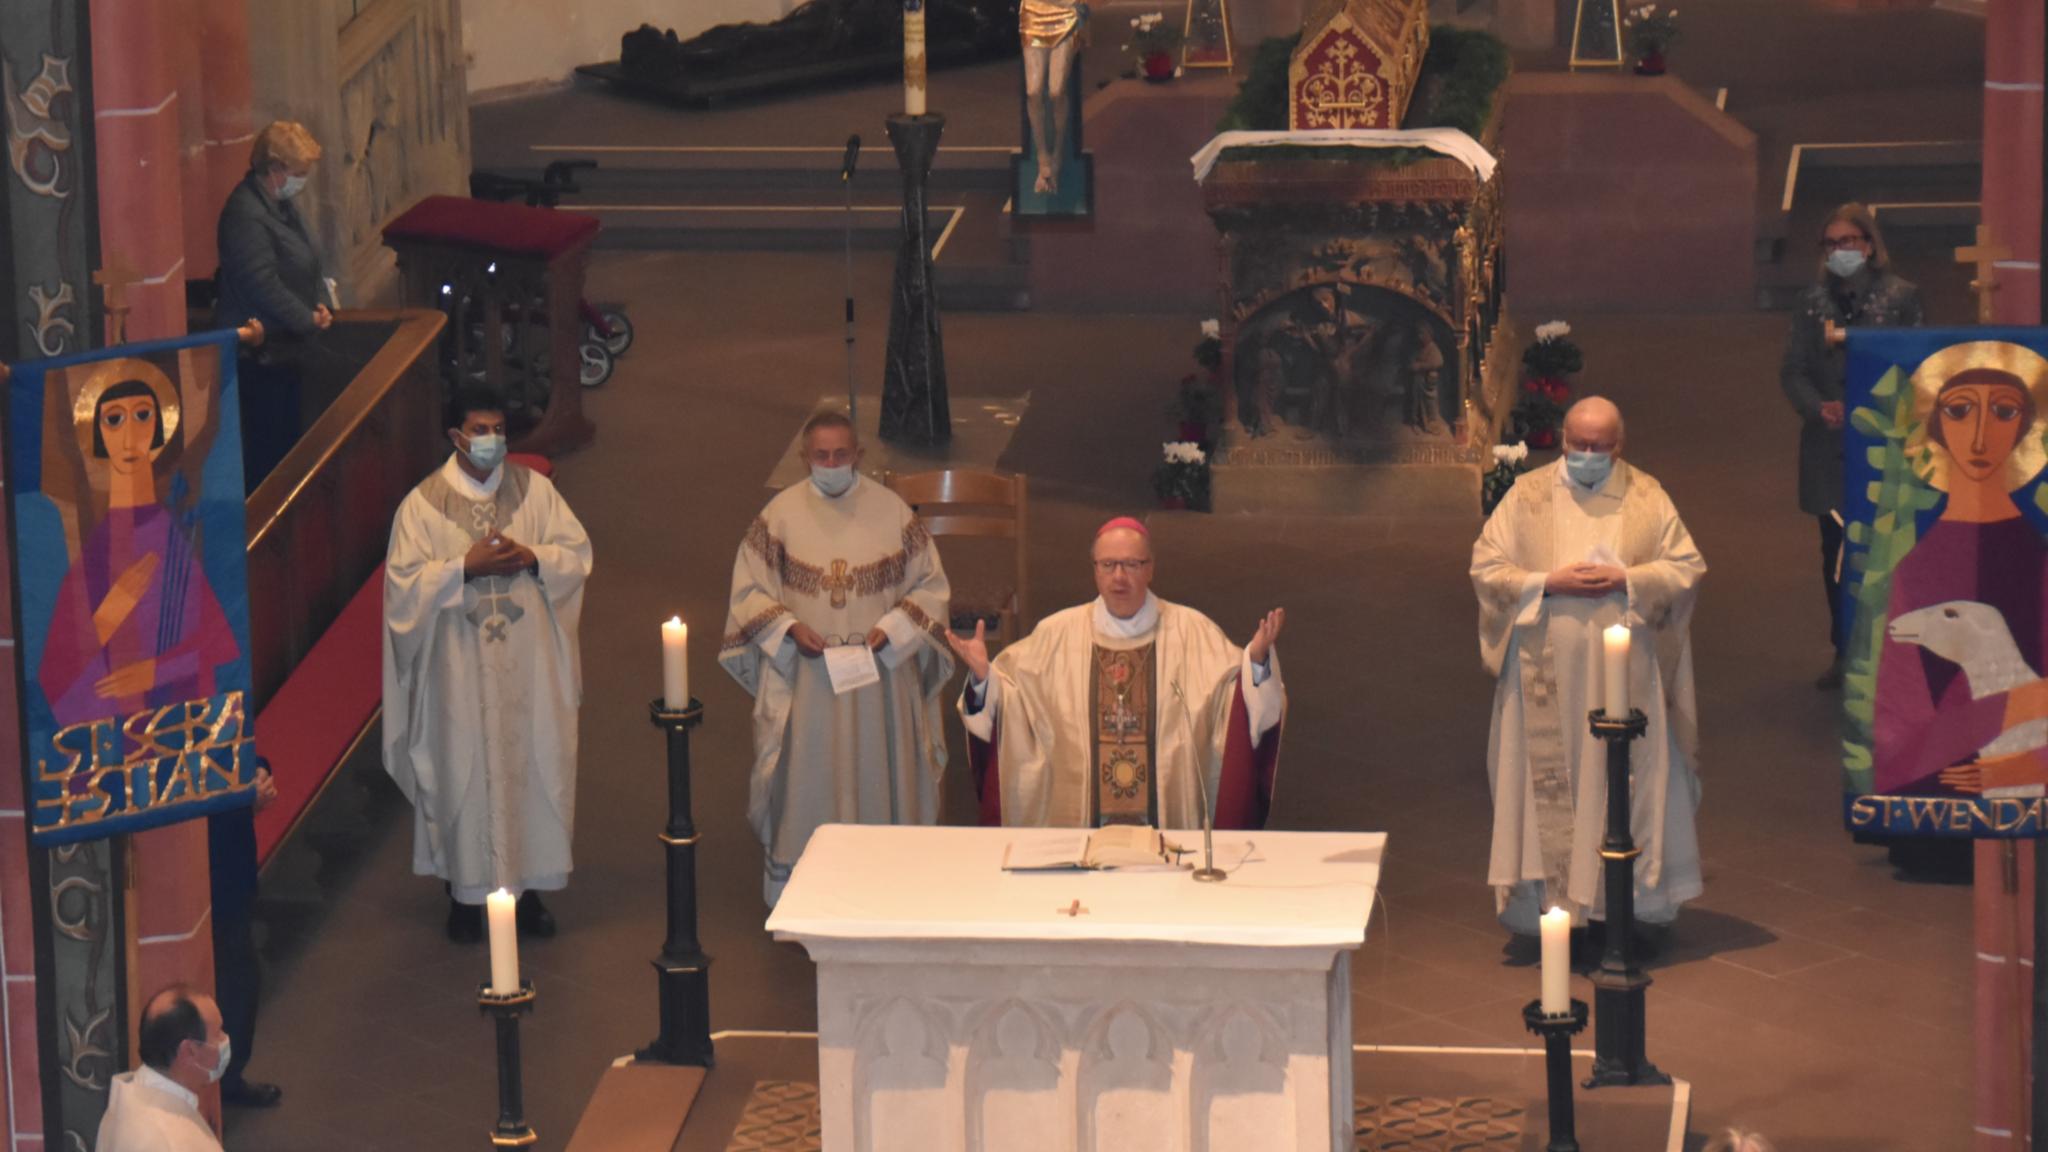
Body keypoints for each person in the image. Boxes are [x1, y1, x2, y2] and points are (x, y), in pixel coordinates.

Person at [1470, 397, 1706, 946]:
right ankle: (1547, 910)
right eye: (1579, 445)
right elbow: (1486, 565)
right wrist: (1547, 583)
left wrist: (1630, 581)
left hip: (1625, 684)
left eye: (1600, 447)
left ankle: (1632, 904)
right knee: (1545, 788)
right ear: (1562, 439)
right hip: (1543, 682)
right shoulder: (1526, 496)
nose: (1588, 456)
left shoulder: (1647, 496)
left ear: (1619, 445)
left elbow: (1685, 566)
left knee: (1626, 781)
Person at [719, 409, 954, 905]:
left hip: (880, 686)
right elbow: (748, 592)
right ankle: (809, 890)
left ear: (858, 457)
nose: (831, 463)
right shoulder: (777, 518)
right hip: (809, 682)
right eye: (821, 455)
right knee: (809, 782)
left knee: (880, 776)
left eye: (841, 454)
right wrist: (788, 627)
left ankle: (887, 887)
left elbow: (932, 586)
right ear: (805, 457)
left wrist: (892, 629)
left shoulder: (894, 514)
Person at [383, 389, 593, 942]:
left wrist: (534, 557)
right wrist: (461, 569)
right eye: (478, 429)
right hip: (458, 672)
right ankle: (462, 894)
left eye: (498, 428)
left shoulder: (537, 493)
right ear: (455, 436)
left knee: (535, 766)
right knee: (462, 775)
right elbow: (401, 592)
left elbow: (576, 556)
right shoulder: (422, 506)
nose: (491, 440)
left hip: (530, 667)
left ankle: (532, 894)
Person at [951, 517, 1285, 828]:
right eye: (1108, 565)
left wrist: (1255, 662)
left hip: (1169, 834)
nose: (1119, 577)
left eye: (1132, 564)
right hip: (1078, 835)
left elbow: (1237, 705)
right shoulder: (1055, 635)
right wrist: (984, 680)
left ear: (1150, 569)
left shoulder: (1194, 632)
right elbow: (1010, 703)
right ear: (1095, 570)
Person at [1869, 343, 2048, 797]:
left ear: (2028, 427)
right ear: (1935, 426)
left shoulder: (2039, 558)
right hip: (1941, 794)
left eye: (2004, 413)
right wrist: (2022, 702)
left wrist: (2019, 769)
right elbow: (1899, 733)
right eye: (1960, 411)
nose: (1980, 437)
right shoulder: (1914, 566)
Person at [36, 360, 240, 725]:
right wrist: (110, 613)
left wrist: (154, 672)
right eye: (114, 420)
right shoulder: (97, 547)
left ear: (160, 428)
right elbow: (56, 670)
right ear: (96, 434)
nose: (129, 436)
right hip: (115, 733)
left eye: (143, 415)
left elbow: (217, 645)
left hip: (171, 725)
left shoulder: (169, 535)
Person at [1780, 202, 1923, 689]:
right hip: (1828, 447)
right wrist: (1818, 407)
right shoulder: (1811, 302)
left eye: (1849, 241)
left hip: (1883, 443)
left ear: (1869, 244)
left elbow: (1916, 367)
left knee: (1888, 549)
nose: (1841, 250)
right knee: (1835, 551)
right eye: (1831, 243)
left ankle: (1891, 651)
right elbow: (1793, 369)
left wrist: (1875, 409)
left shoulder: (1901, 298)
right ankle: (1845, 650)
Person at [214, 120, 332, 494]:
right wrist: (307, 319)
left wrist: (321, 302)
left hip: (288, 348)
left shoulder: (281, 204)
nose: (303, 180)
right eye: (299, 173)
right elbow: (262, 283)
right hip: (260, 359)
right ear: (276, 170)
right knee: (269, 462)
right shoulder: (244, 214)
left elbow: (308, 258)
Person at [207, 757, 281, 1108]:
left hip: (229, 866)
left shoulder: (217, 702)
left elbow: (237, 744)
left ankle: (228, 1078)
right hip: (189, 860)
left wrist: (259, 772)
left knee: (238, 979)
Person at [95, 985, 232, 1151]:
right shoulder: (171, 1142)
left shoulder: (130, 1097)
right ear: (189, 1051)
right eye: (218, 1033)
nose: (225, 1039)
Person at [1020, 0, 1083, 195]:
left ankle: (1057, 152)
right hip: (1032, 14)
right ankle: (1042, 155)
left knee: (1056, 90)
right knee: (1033, 91)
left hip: (1065, 15)